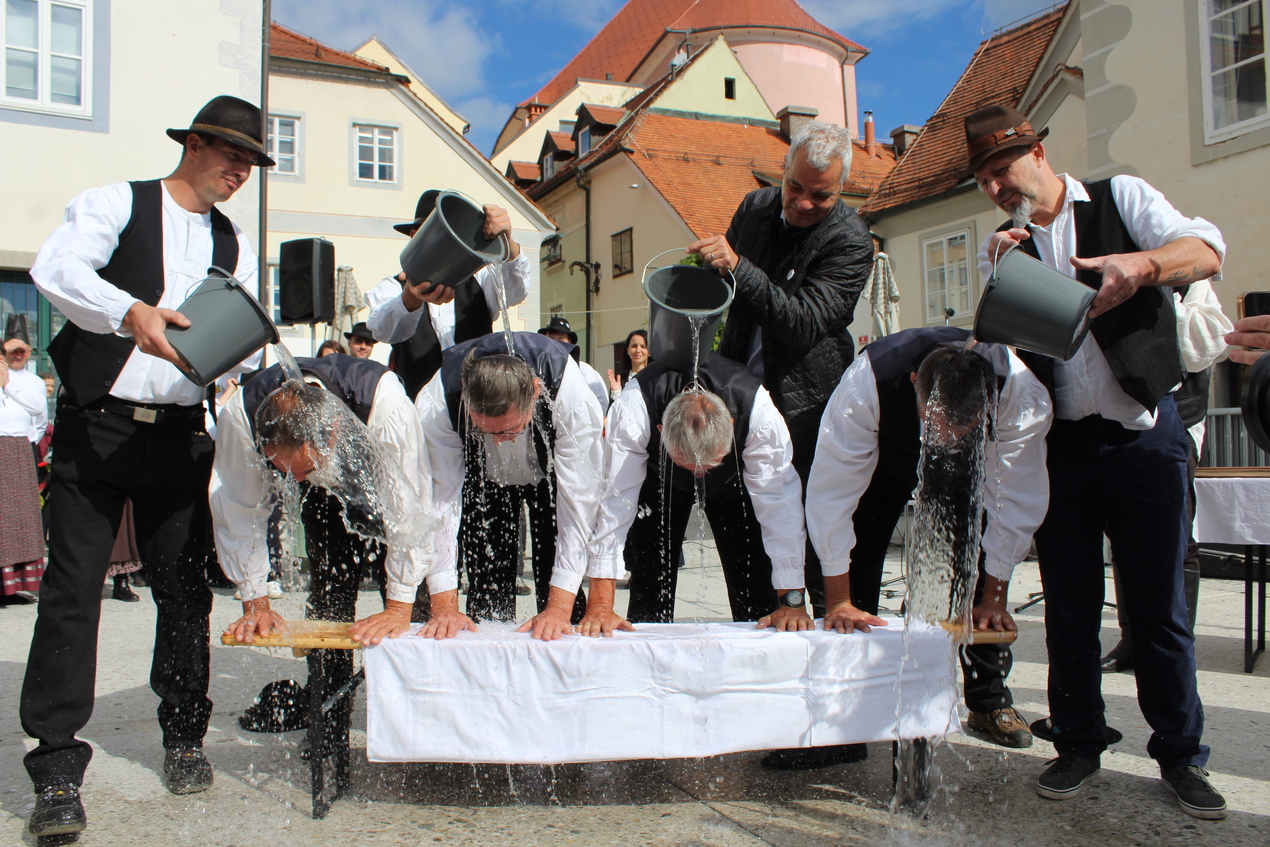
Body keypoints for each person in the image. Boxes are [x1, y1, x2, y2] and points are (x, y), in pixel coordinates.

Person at [20, 95, 272, 837]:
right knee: (72, 594)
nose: (242, 172)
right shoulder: (117, 203)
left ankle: (185, 735)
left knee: (185, 592)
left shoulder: (233, 241)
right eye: (233, 155)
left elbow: (244, 341)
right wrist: (130, 310)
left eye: (253, 163)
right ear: (194, 144)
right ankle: (58, 767)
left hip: (179, 437)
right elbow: (53, 267)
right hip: (96, 427)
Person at [966, 104, 1226, 818]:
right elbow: (1007, 353)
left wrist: (1141, 267)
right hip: (1065, 445)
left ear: (1039, 153)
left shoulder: (1120, 199)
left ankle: (1180, 754)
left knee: (1159, 608)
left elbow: (1206, 248)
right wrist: (999, 285)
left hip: (1146, 431)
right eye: (984, 178)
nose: (995, 187)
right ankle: (1078, 742)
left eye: (1003, 168)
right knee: (1071, 607)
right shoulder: (1004, 245)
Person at [800, 328, 1051, 768]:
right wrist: (839, 598)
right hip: (884, 463)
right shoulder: (868, 383)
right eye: (939, 425)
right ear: (916, 381)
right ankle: (846, 715)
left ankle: (987, 699)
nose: (948, 438)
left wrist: (994, 595)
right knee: (851, 577)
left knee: (969, 574)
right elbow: (830, 497)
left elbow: (1014, 500)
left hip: (969, 477)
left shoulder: (1020, 393)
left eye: (963, 427)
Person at [215, 354, 463, 740]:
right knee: (329, 597)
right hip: (324, 489)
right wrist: (255, 604)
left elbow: (411, 512)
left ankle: (423, 728)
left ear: (330, 432)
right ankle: (328, 727)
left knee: (412, 610)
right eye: (283, 471)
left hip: (380, 475)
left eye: (301, 471)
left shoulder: (385, 404)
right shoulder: (240, 416)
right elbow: (239, 509)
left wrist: (397, 608)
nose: (292, 480)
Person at [687, 120, 872, 614]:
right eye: (795, 186)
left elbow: (803, 322)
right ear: (783, 168)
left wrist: (739, 269)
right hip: (739, 402)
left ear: (842, 190)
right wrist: (702, 273)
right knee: (742, 541)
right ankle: (752, 646)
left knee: (809, 544)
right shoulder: (754, 207)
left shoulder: (853, 241)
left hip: (807, 414)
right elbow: (726, 287)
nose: (804, 202)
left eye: (821, 195)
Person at [585, 352, 808, 631]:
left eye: (707, 464)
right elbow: (615, 505)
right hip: (659, 480)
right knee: (649, 575)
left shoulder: (758, 411)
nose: (698, 474)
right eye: (689, 464)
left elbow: (780, 505)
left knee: (753, 575)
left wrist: (793, 601)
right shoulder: (634, 407)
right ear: (661, 430)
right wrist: (600, 606)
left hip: (731, 484)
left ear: (732, 424)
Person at [416, 331, 603, 637]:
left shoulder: (570, 392)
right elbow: (439, 503)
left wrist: (557, 609)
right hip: (483, 477)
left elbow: (580, 505)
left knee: (557, 582)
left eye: (510, 429)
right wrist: (444, 607)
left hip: (551, 473)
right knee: (487, 576)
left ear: (534, 390)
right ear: (465, 393)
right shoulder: (438, 400)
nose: (500, 441)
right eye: (487, 430)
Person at [1101, 281, 1231, 672]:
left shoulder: (1192, 283)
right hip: (1125, 421)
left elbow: (1204, 347)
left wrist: (1151, 303)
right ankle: (1132, 640)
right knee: (1123, 533)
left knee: (1178, 536)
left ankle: (1176, 640)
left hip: (1178, 425)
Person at [364, 189, 531, 399]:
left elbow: (516, 290)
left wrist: (508, 244)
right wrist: (411, 296)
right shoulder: (392, 286)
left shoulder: (478, 281)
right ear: (416, 236)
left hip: (479, 408)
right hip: (421, 416)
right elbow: (382, 329)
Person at [0, 316, 47, 607]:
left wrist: (7, 385)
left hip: (18, 449)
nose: (18, 355)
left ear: (29, 352)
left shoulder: (32, 382)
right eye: (12, 350)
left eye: (23, 350)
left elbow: (39, 412)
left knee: (19, 521)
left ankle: (13, 586)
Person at [539, 315, 607, 411]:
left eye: (561, 339)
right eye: (551, 338)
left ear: (569, 342)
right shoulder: (538, 368)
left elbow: (601, 403)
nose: (555, 343)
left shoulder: (583, 370)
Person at [606, 329, 650, 400]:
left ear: (649, 351)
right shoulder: (620, 380)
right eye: (634, 346)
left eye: (643, 346)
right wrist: (616, 393)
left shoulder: (656, 378)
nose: (638, 350)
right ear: (628, 350)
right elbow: (613, 410)